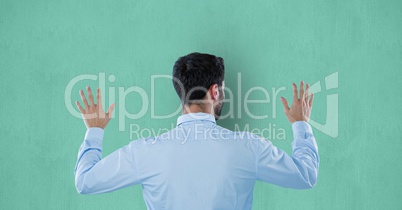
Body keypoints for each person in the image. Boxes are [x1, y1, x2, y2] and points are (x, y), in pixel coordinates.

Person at [74, 52, 319, 210]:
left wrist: (95, 131)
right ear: (215, 92)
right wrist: (301, 124)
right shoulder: (249, 148)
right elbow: (306, 175)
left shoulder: (145, 152)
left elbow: (85, 182)